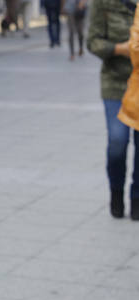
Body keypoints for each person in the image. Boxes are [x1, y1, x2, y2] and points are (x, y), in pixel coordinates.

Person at [88, 0, 137, 218]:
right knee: (118, 141)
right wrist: (121, 49)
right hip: (115, 82)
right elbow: (93, 41)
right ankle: (116, 192)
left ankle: (137, 197)